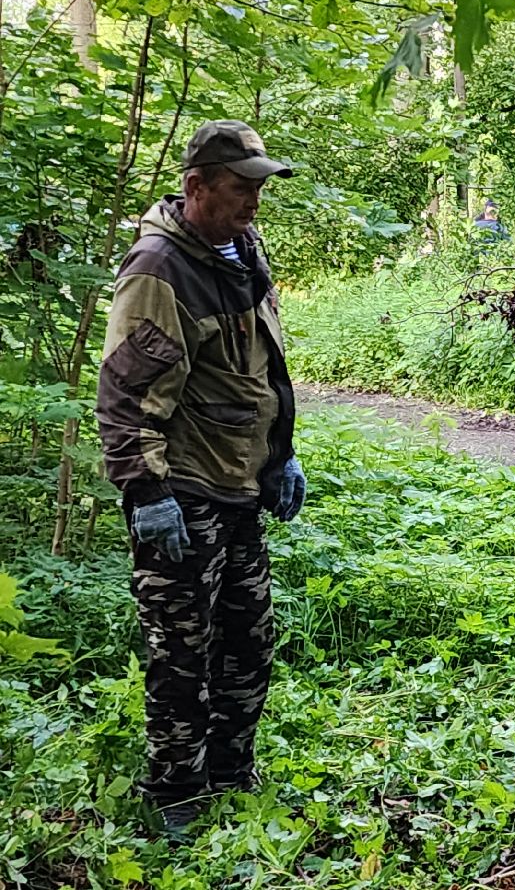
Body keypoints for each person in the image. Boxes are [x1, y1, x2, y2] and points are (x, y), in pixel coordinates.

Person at [95, 120, 303, 840]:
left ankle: (229, 776)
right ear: (196, 187)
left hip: (239, 483)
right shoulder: (160, 268)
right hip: (182, 490)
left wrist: (281, 455)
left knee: (249, 642)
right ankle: (175, 793)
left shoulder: (242, 248)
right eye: (240, 188)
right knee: (183, 652)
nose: (253, 201)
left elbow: (262, 367)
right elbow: (126, 394)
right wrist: (146, 492)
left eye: (258, 188)